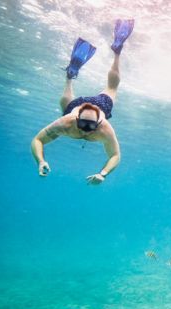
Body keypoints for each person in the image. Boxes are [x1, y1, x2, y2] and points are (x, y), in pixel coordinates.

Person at [30, 19, 134, 185]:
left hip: (94, 105)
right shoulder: (67, 122)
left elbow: (116, 156)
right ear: (76, 120)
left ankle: (71, 76)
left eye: (91, 127)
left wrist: (103, 174)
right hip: (85, 107)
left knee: (68, 106)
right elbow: (37, 140)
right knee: (111, 88)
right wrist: (40, 161)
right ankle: (116, 52)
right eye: (83, 126)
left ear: (100, 122)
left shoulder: (104, 128)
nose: (86, 131)